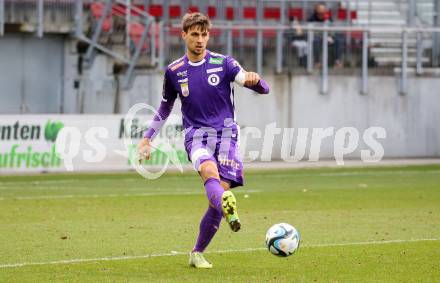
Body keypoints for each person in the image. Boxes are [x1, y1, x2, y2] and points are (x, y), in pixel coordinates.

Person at [138, 12, 269, 269]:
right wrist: (146, 138)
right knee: (208, 170)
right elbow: (165, 107)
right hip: (196, 136)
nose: (200, 40)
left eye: (204, 34)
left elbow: (259, 86)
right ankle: (225, 203)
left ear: (209, 36)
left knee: (217, 198)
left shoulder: (224, 63)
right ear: (184, 35)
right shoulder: (174, 71)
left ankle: (197, 252)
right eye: (195, 34)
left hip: (227, 137)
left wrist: (256, 81)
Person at [308, 3, 344, 68]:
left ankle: (337, 61)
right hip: (317, 38)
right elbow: (312, 32)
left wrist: (330, 36)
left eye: (323, 10)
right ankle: (317, 62)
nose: (322, 12)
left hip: (327, 37)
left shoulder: (328, 18)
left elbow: (332, 29)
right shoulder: (311, 19)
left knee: (338, 40)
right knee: (316, 41)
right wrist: (324, 36)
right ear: (316, 10)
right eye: (320, 9)